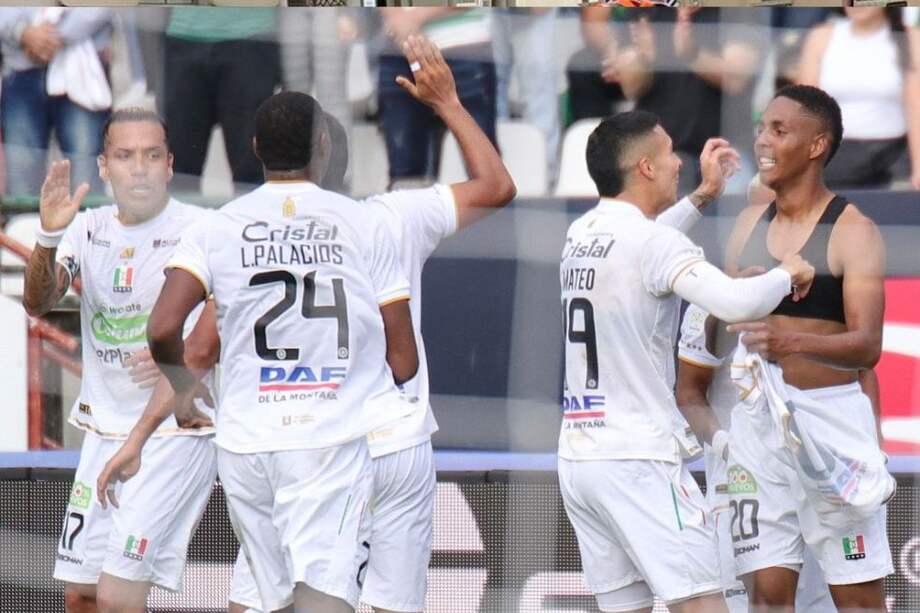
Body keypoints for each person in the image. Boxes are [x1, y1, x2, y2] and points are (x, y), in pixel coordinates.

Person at [143, 82, 420, 612]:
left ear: (253, 148)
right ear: (323, 146)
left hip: (245, 445)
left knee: (268, 601)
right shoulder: (363, 222)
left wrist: (183, 390)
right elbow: (402, 358)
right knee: (324, 601)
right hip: (326, 441)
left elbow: (161, 329)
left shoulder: (217, 226)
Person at [558, 109, 815, 613]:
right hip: (640, 461)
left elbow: (642, 248)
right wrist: (788, 272)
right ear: (645, 168)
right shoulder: (652, 242)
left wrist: (702, 197)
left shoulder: (581, 234)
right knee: (701, 605)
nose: (679, 163)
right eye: (669, 153)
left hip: (580, 461)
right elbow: (737, 303)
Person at [22, 108, 217, 613]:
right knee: (82, 597)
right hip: (102, 433)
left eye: (152, 155)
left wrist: (182, 351)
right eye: (125, 156)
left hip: (176, 431)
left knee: (115, 597)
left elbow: (240, 310)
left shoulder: (204, 229)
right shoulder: (86, 230)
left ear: (171, 166)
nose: (140, 168)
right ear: (104, 167)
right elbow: (38, 302)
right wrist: (46, 237)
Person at [723, 84, 891, 612]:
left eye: (778, 130)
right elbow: (716, 325)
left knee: (858, 601)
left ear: (816, 145)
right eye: (760, 128)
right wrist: (736, 292)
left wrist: (788, 339)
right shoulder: (749, 223)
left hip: (831, 431)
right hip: (759, 427)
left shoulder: (853, 230)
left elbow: (868, 348)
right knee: (769, 599)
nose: (762, 142)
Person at [676, 303, 843, 613]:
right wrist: (725, 444)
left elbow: (860, 370)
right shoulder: (706, 301)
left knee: (820, 602)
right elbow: (688, 392)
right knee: (754, 604)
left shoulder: (813, 290)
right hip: (740, 489)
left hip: (815, 481)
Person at [798, 5, 920, 189]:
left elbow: (915, 107)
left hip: (893, 157)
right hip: (835, 155)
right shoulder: (822, 36)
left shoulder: (910, 38)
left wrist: (918, 167)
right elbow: (806, 108)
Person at [0, 7, 116, 197]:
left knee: (86, 180)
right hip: (20, 69)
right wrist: (23, 32)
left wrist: (52, 36)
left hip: (84, 66)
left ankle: (89, 228)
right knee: (21, 180)